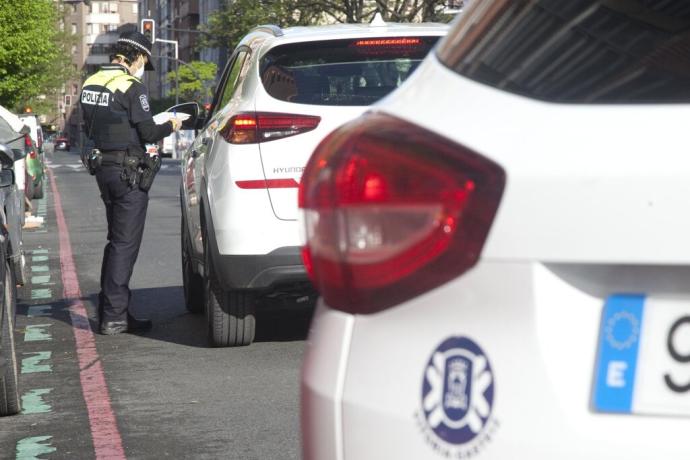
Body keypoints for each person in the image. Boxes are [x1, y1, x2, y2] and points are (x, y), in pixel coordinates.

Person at [80, 31, 183, 335]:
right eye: (143, 62)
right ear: (136, 57)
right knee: (125, 245)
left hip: (104, 170)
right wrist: (172, 123)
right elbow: (149, 132)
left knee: (116, 242)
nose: (142, 68)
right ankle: (113, 316)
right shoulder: (131, 86)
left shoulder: (91, 83)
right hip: (128, 174)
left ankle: (115, 310)